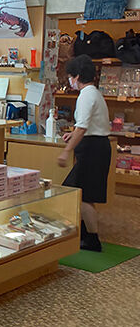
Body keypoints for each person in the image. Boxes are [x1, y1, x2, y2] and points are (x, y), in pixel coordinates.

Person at [56, 54, 111, 252]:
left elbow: (82, 128)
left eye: (71, 76)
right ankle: (87, 234)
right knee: (83, 193)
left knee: (81, 193)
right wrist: (72, 135)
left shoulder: (86, 95)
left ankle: (92, 239)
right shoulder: (94, 93)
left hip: (92, 149)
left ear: (77, 76)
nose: (70, 80)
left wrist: (66, 151)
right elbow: (90, 125)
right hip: (97, 146)